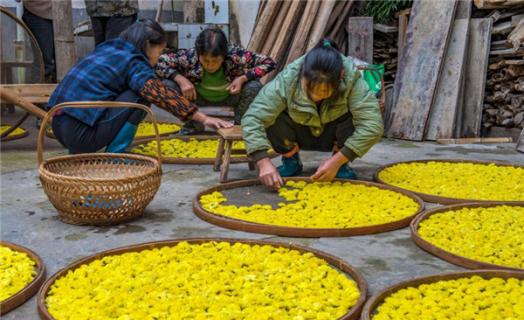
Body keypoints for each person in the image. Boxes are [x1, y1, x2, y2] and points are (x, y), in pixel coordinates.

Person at [48, 19, 231, 154]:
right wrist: (203, 118)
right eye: (158, 52)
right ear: (146, 45)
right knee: (142, 95)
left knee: (136, 89)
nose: (158, 58)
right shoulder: (134, 61)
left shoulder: (109, 47)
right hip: (80, 135)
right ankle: (117, 155)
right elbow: (158, 93)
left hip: (57, 125)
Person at [241, 39, 384, 188]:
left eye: (324, 92)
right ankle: (291, 161)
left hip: (333, 133)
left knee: (358, 118)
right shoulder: (288, 79)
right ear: (303, 75)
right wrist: (262, 161)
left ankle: (341, 164)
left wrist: (338, 161)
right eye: (310, 89)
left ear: (341, 76)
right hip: (299, 131)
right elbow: (253, 118)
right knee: (272, 117)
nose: (315, 97)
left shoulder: (352, 80)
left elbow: (372, 125)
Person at [155, 27, 276, 134]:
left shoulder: (236, 55)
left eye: (215, 61)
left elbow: (269, 62)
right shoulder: (189, 56)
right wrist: (180, 79)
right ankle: (193, 123)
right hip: (196, 97)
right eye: (206, 61)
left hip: (230, 96)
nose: (210, 66)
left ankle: (239, 126)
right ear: (198, 54)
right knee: (168, 85)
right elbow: (158, 62)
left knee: (254, 86)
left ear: (224, 56)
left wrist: (243, 78)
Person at [21, 0, 56, 82]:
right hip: (37, 10)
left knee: (62, 65)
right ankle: (38, 91)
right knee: (44, 64)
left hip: (61, 12)